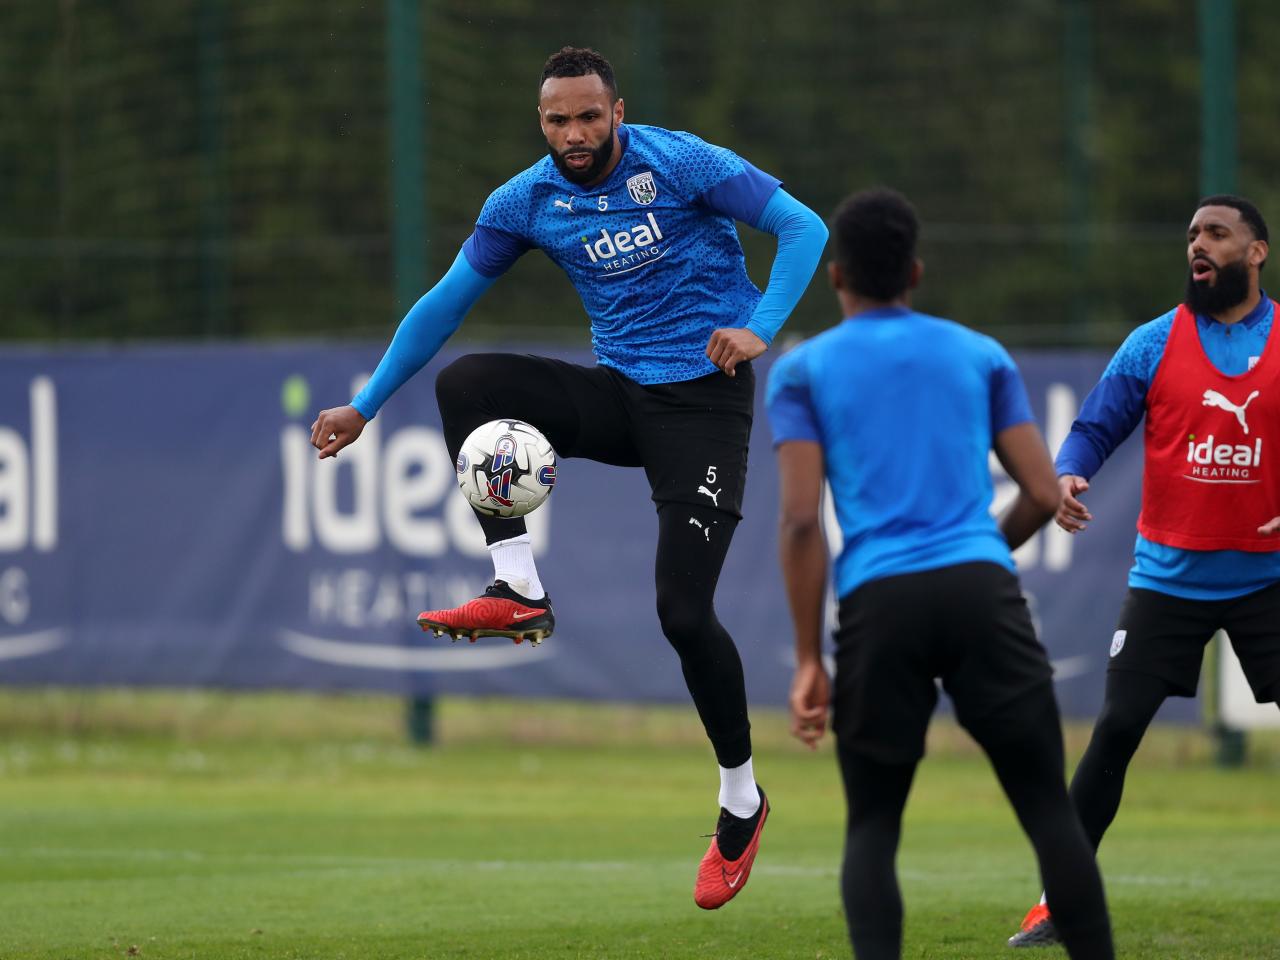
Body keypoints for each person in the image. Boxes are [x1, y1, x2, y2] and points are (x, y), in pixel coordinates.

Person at [310, 46, 828, 909]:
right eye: (558, 120)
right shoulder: (525, 201)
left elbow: (804, 225)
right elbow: (443, 305)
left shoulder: (681, 162)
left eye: (590, 116)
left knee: (683, 612)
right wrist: (364, 405)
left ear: (617, 111)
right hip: (619, 396)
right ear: (541, 122)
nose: (576, 134)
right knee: (466, 383)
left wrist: (762, 326)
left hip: (705, 403)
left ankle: (741, 800)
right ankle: (516, 587)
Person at [766, 188, 1114, 960]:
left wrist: (806, 660)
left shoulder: (802, 372)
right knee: (1050, 815)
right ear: (916, 272)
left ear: (835, 277)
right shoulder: (978, 353)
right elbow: (1042, 491)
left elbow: (797, 521)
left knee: (874, 827)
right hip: (982, 592)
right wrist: (979, 549)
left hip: (879, 606)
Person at [1007, 194, 1280, 947]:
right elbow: (1093, 428)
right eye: (1193, 234)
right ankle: (1059, 903)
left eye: (1218, 234)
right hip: (1169, 581)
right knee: (1118, 729)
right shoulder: (1154, 342)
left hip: (1269, 582)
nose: (1199, 245)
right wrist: (1066, 475)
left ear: (1256, 253)